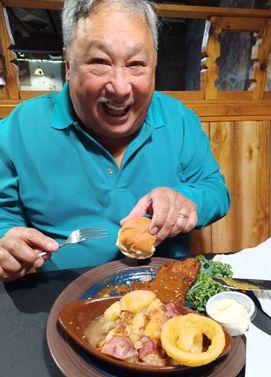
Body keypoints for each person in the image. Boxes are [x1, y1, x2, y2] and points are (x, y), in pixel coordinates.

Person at [0, 0, 230, 282]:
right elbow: (3, 216)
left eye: (136, 65)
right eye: (99, 62)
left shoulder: (179, 119)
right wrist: (6, 241)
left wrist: (186, 201)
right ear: (69, 65)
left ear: (154, 65)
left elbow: (216, 191)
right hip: (63, 293)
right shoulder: (19, 129)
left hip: (167, 285)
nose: (120, 88)